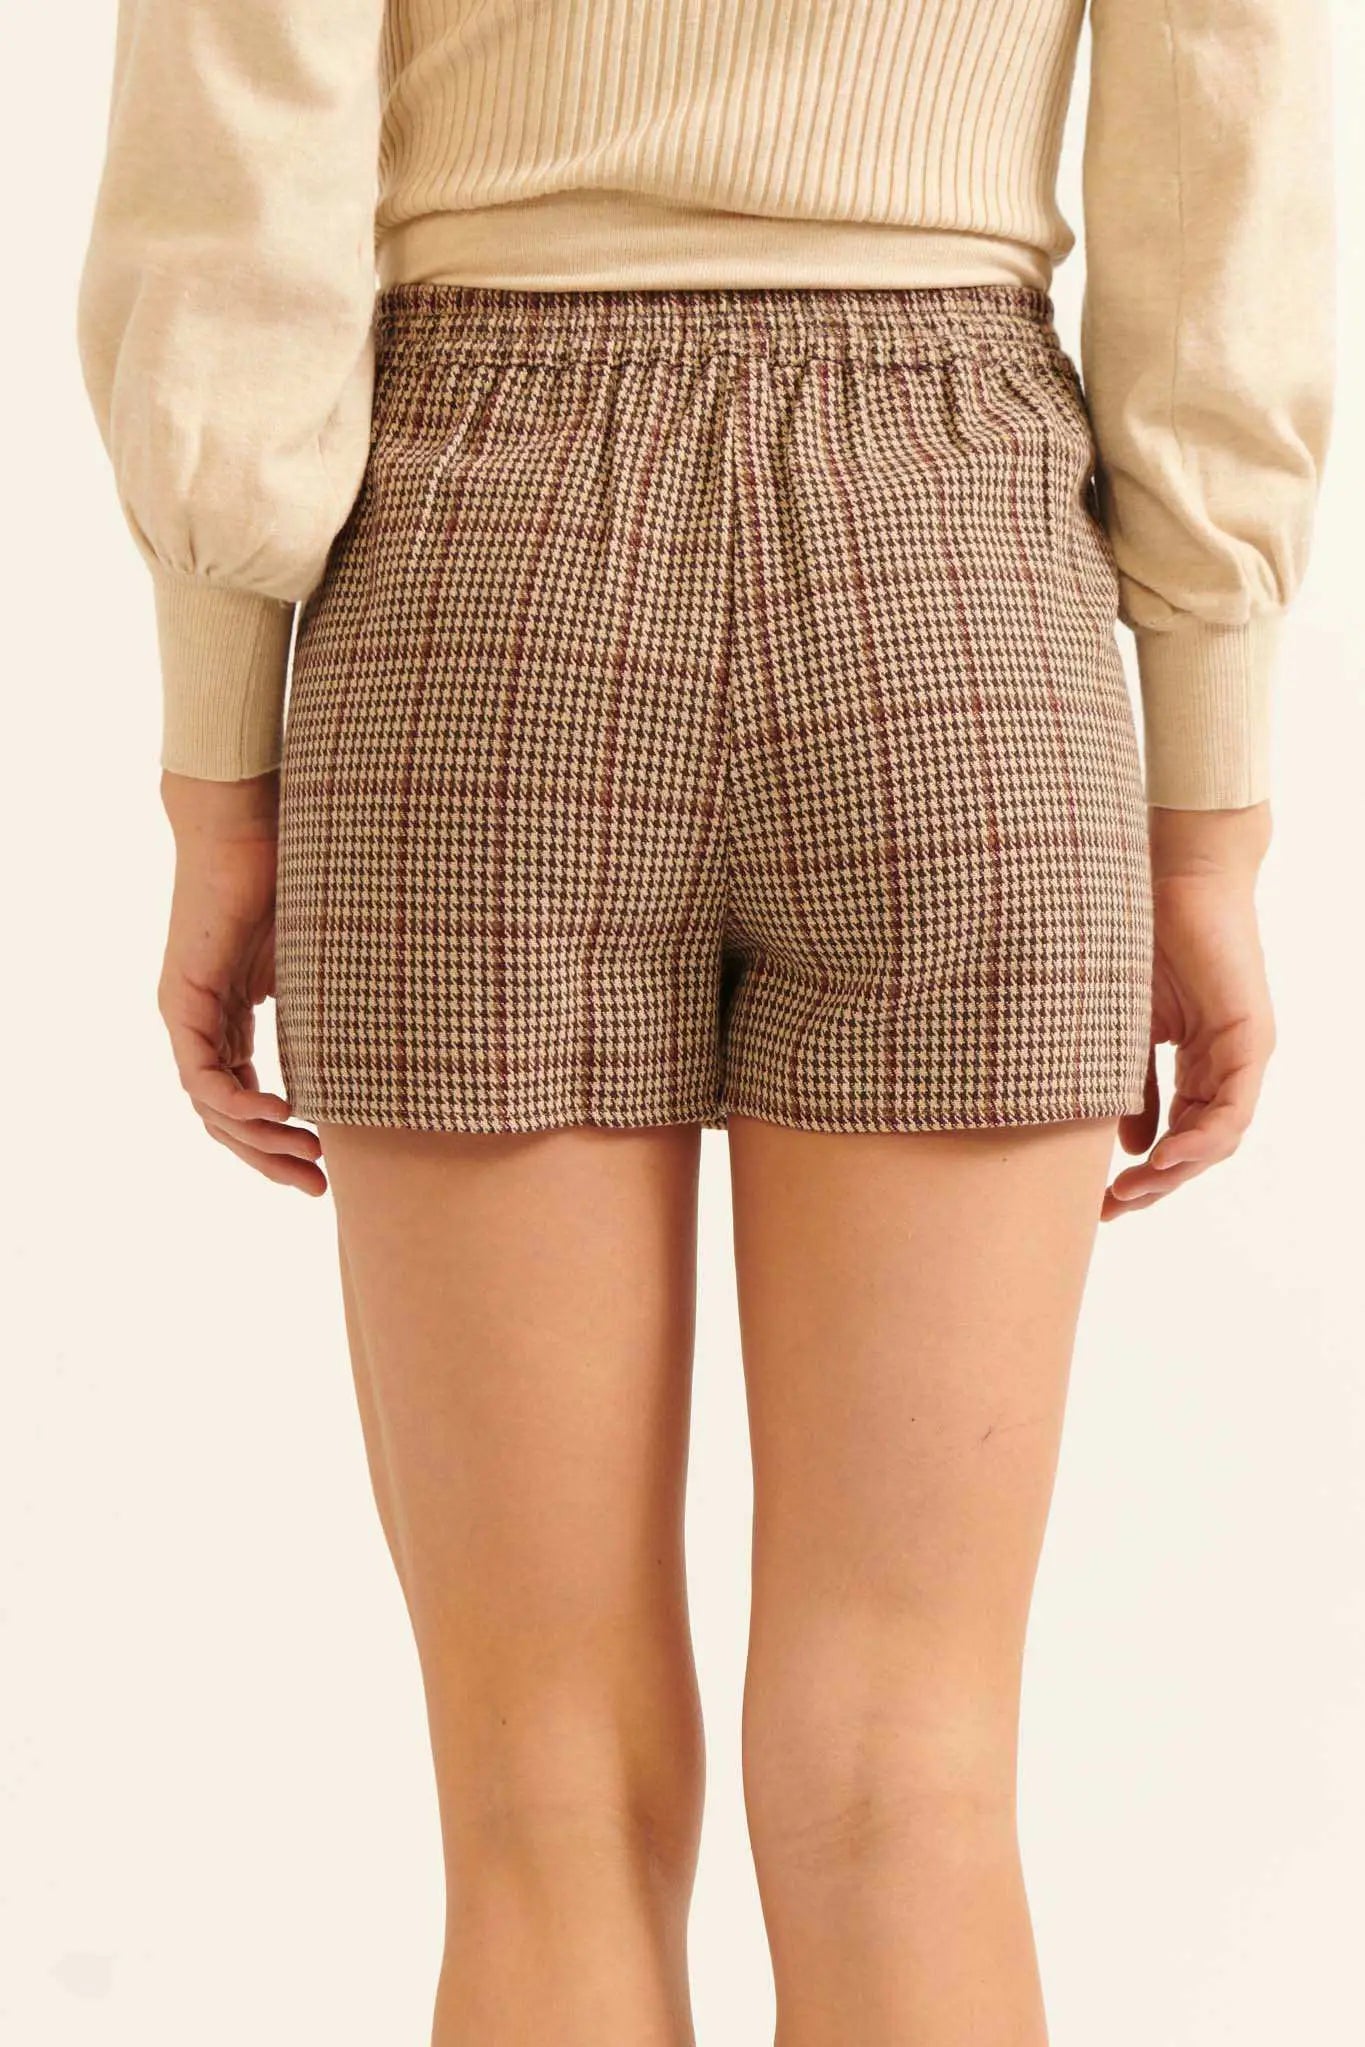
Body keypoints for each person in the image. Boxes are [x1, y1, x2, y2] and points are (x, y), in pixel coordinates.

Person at [75, 3, 1333, 2041]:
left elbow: (243, 128)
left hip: (472, 569)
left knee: (541, 1796)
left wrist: (219, 771)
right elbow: (1225, 147)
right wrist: (1205, 809)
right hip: (955, 568)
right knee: (908, 1783)